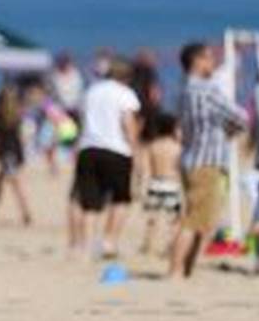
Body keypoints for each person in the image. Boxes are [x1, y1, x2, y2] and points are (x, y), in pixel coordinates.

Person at [169, 42, 248, 278]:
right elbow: (240, 117)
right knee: (195, 221)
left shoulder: (184, 90)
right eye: (210, 58)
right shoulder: (206, 90)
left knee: (197, 219)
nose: (213, 63)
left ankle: (184, 271)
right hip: (208, 160)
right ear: (197, 61)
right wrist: (230, 130)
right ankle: (176, 271)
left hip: (190, 157)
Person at [71, 59, 141, 259]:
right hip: (116, 149)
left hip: (88, 148)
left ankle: (86, 247)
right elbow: (128, 123)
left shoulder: (91, 91)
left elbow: (81, 122)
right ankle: (109, 242)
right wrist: (135, 151)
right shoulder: (125, 94)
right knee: (121, 199)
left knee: (89, 202)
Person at [0, 85, 33, 225]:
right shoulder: (16, 116)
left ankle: (25, 213)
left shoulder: (1, 116)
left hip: (7, 155)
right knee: (1, 184)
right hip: (14, 154)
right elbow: (21, 138)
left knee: (14, 184)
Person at [139, 112, 182, 257]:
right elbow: (180, 169)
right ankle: (170, 246)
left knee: (153, 218)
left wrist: (142, 187)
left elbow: (145, 170)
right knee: (174, 220)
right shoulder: (177, 147)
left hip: (155, 183)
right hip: (171, 184)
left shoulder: (153, 145)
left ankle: (148, 245)